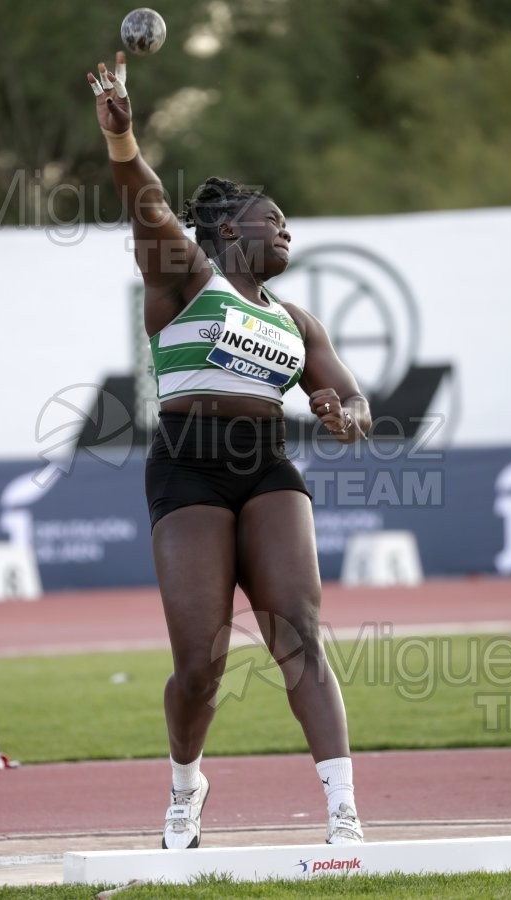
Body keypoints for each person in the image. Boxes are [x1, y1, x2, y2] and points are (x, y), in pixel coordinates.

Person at [88, 51, 372, 850]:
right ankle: (186, 787)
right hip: (186, 464)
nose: (287, 229)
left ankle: (344, 811)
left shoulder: (297, 321)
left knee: (298, 633)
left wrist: (341, 413)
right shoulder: (184, 276)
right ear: (224, 229)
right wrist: (123, 139)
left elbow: (355, 402)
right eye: (272, 217)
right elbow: (145, 206)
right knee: (201, 662)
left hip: (268, 465)